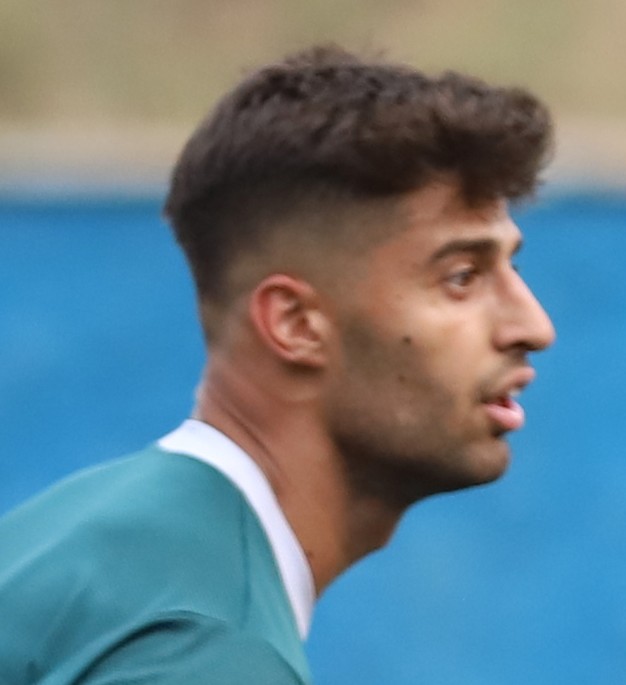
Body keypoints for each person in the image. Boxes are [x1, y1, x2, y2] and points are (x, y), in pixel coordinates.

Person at [0, 45, 555, 684]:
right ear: (295, 324)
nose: (533, 326)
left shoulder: (65, 535)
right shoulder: (209, 645)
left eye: (512, 266)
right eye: (461, 277)